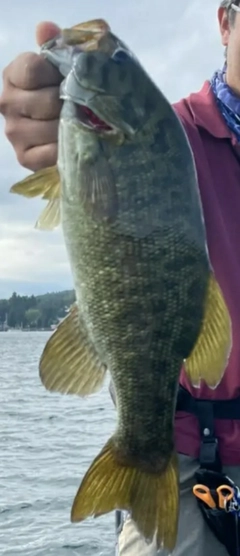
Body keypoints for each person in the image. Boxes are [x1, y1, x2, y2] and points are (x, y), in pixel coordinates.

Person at [1, 2, 240, 555]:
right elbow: (61, 142)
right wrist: (44, 117)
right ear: (225, 23)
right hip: (187, 463)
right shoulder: (164, 133)